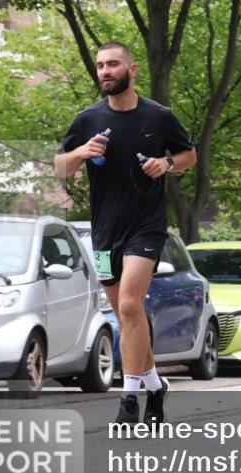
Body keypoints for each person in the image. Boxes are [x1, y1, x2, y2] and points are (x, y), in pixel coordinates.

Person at [55, 41, 197, 424]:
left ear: (131, 71)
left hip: (145, 227)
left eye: (113, 64)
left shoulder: (159, 117)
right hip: (104, 232)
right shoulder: (87, 120)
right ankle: (155, 385)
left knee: (132, 305)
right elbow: (59, 167)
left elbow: (189, 155)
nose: (105, 71)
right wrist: (80, 153)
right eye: (100, 65)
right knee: (125, 315)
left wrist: (166, 163)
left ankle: (129, 398)